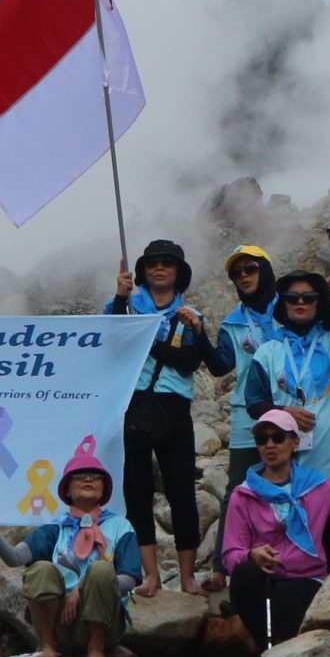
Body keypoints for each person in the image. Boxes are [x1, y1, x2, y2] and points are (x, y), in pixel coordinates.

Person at [108, 239, 229, 594]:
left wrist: (186, 333)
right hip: (136, 403)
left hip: (175, 407)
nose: (159, 268)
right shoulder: (125, 307)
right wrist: (118, 297)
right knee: (137, 489)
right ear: (143, 271)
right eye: (153, 263)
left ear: (178, 273)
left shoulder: (191, 315)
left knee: (181, 490)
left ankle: (188, 576)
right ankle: (151, 576)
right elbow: (112, 340)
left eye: (168, 263)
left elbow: (191, 362)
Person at [240, 269, 330, 560]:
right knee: (296, 558)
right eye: (292, 297)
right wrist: (282, 411)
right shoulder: (268, 352)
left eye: (309, 297)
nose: (300, 302)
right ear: (282, 303)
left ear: (319, 303)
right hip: (289, 474)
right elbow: (254, 403)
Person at [0, 448, 143, 657]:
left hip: (104, 623)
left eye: (95, 476)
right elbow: (15, 558)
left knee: (101, 570)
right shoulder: (56, 528)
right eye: (80, 475)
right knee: (40, 569)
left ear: (104, 488)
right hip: (61, 620)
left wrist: (81, 589)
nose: (88, 479)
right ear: (68, 489)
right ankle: (49, 644)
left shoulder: (120, 527)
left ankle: (96, 648)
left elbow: (130, 578)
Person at [219, 411, 330, 650]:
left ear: (295, 442)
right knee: (244, 575)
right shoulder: (244, 494)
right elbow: (230, 555)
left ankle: (291, 656)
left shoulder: (316, 486)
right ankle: (266, 650)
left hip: (307, 578)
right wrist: (252, 555)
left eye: (278, 437)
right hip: (266, 577)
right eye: (262, 439)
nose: (270, 444)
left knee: (287, 598)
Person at [216, 244, 282, 503]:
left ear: (264, 271)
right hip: (247, 419)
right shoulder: (232, 323)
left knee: (298, 487)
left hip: (292, 412)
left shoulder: (293, 307)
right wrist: (197, 335)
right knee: (238, 493)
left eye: (250, 268)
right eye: (236, 272)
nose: (243, 276)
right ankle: (229, 546)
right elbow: (220, 366)